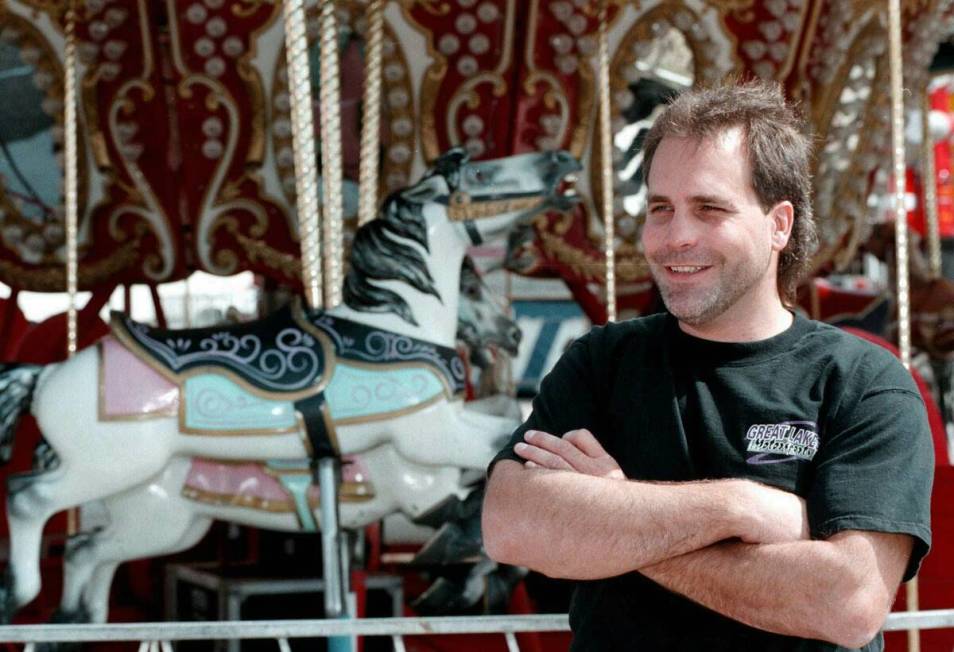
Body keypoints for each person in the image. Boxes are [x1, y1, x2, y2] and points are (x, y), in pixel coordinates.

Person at [481, 81, 934, 651]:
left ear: (779, 225)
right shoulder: (601, 362)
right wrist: (739, 507)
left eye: (709, 208)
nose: (676, 237)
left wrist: (615, 516)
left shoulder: (864, 384)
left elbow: (845, 603)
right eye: (661, 209)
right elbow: (510, 525)